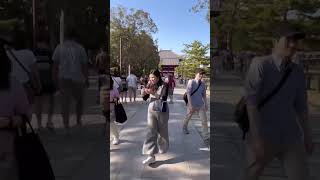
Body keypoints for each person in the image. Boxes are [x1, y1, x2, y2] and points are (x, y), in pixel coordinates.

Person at [244, 23, 313, 180]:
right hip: (263, 134)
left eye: (295, 40)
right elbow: (252, 104)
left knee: (301, 176)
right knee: (251, 175)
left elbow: (301, 106)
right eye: (288, 39)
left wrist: (308, 135)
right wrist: (256, 138)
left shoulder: (297, 72)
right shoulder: (260, 64)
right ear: (275, 41)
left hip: (291, 136)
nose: (293, 44)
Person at [0, 43, 31, 180]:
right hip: (7, 144)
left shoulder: (13, 83)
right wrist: (10, 121)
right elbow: (26, 115)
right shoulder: (13, 83)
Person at [52, 29, 89, 129]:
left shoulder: (59, 48)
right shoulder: (80, 48)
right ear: (75, 37)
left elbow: (55, 65)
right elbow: (84, 65)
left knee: (65, 102)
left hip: (63, 78)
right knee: (79, 101)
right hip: (78, 78)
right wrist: (86, 79)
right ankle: (78, 121)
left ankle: (66, 123)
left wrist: (54, 79)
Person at [5, 30, 42, 105]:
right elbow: (35, 72)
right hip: (25, 86)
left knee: (12, 109)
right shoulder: (29, 53)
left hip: (11, 86)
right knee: (27, 109)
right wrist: (39, 84)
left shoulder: (7, 54)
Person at [141, 69, 169, 165]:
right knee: (151, 132)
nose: (151, 79)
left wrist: (153, 93)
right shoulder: (149, 84)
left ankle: (163, 147)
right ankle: (151, 155)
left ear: (158, 77)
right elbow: (144, 98)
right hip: (151, 109)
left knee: (162, 132)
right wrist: (144, 92)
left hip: (162, 110)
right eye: (150, 77)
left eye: (153, 77)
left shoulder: (164, 85)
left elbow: (164, 97)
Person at [182, 68, 209, 143]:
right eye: (200, 74)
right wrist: (190, 105)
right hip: (192, 104)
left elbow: (204, 95)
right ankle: (184, 127)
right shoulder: (191, 82)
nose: (201, 75)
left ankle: (206, 137)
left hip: (200, 105)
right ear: (196, 74)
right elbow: (188, 93)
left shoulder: (203, 83)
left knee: (204, 121)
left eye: (202, 74)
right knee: (188, 117)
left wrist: (206, 104)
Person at [33, 41, 55, 130]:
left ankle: (39, 124)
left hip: (38, 81)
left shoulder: (33, 53)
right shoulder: (50, 53)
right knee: (50, 101)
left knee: (38, 103)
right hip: (48, 81)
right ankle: (49, 122)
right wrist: (54, 81)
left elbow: (32, 68)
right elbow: (53, 68)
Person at [100, 75, 120, 145]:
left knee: (111, 123)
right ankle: (111, 135)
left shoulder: (114, 88)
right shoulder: (102, 88)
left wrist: (114, 101)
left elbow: (117, 98)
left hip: (111, 107)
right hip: (104, 107)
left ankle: (116, 137)